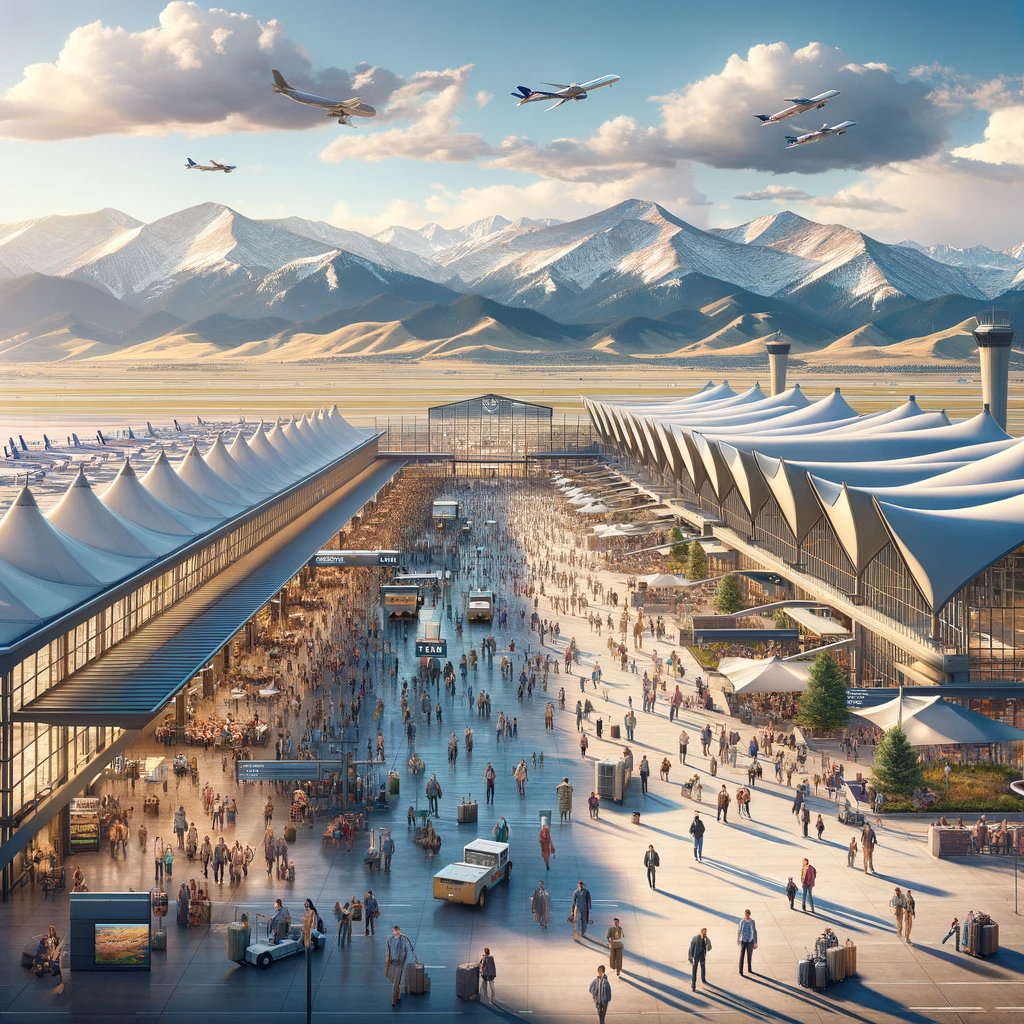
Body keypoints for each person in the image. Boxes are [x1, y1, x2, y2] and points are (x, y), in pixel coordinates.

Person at [384, 925, 415, 1007]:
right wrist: (387, 961)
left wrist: (405, 962)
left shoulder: (403, 939)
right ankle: (398, 992)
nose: (394, 932)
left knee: (395, 982)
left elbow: (407, 951)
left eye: (395, 930)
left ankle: (393, 1000)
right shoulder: (389, 939)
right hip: (391, 963)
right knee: (392, 980)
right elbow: (387, 950)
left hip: (399, 963)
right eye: (393, 930)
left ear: (398, 931)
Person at [737, 909, 758, 976]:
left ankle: (749, 969)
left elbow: (754, 932)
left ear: (749, 914)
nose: (747, 915)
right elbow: (739, 930)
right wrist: (738, 938)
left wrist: (755, 942)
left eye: (748, 914)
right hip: (743, 940)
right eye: (746, 914)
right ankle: (740, 970)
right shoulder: (742, 921)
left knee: (749, 955)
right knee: (742, 956)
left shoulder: (752, 922)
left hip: (750, 941)